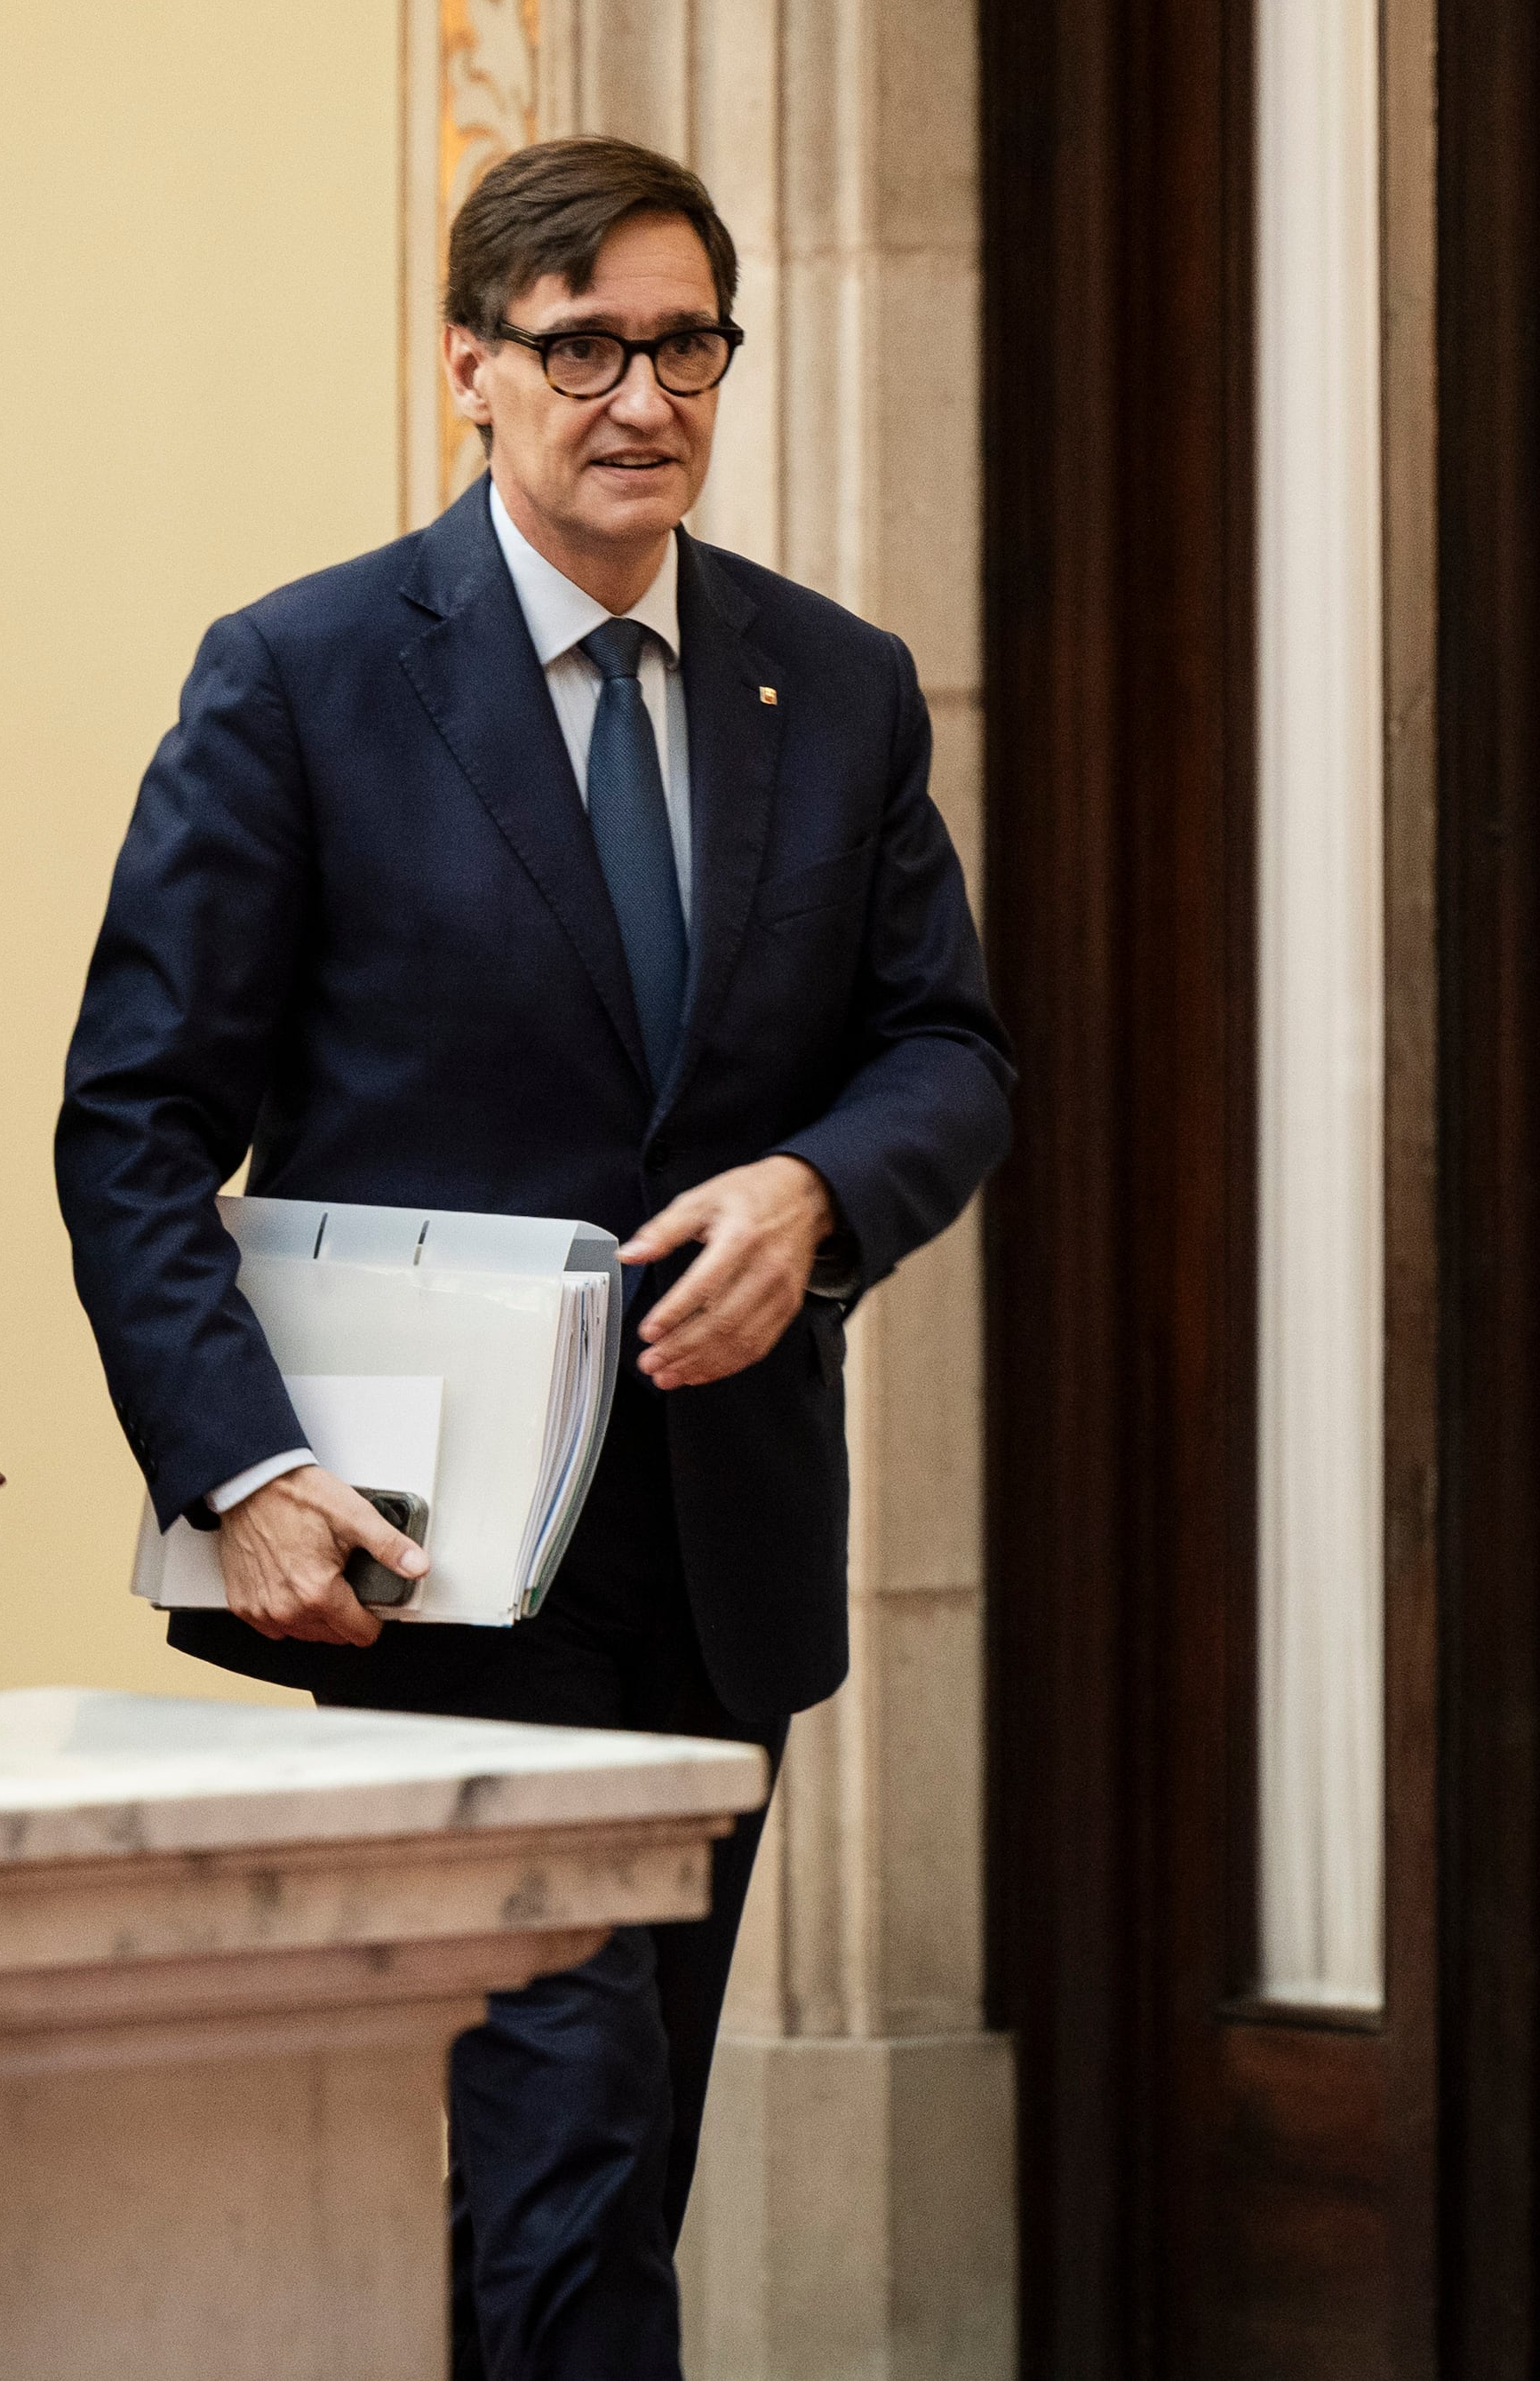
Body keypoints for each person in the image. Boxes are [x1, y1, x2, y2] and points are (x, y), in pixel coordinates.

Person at [58, 134, 1013, 2380]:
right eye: (581, 348)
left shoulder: (834, 684)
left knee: (605, 2152)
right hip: (427, 1553)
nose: (640, 398)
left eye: (686, 345)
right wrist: (240, 1465)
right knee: (567, 2144)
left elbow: (944, 1047)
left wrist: (817, 1189)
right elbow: (137, 1120)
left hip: (714, 1534)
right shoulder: (301, 675)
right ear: (469, 365)